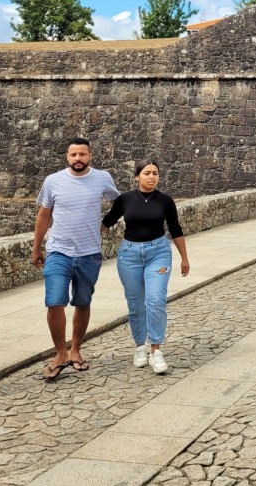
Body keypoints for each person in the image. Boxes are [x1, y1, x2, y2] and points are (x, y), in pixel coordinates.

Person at [32, 138, 120, 381]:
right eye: (73, 155)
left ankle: (76, 350)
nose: (78, 158)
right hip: (58, 251)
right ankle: (61, 353)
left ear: (90, 155)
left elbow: (119, 204)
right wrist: (36, 248)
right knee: (54, 301)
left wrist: (104, 226)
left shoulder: (102, 178)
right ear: (67, 157)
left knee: (82, 302)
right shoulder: (53, 181)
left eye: (82, 154)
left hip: (89, 253)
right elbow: (44, 215)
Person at [102, 160, 189, 375]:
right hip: (129, 255)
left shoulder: (165, 200)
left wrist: (184, 258)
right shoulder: (125, 199)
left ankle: (156, 350)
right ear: (137, 176)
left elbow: (175, 228)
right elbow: (107, 222)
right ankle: (140, 346)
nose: (151, 177)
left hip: (158, 253)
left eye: (155, 173)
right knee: (135, 304)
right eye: (147, 173)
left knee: (156, 299)